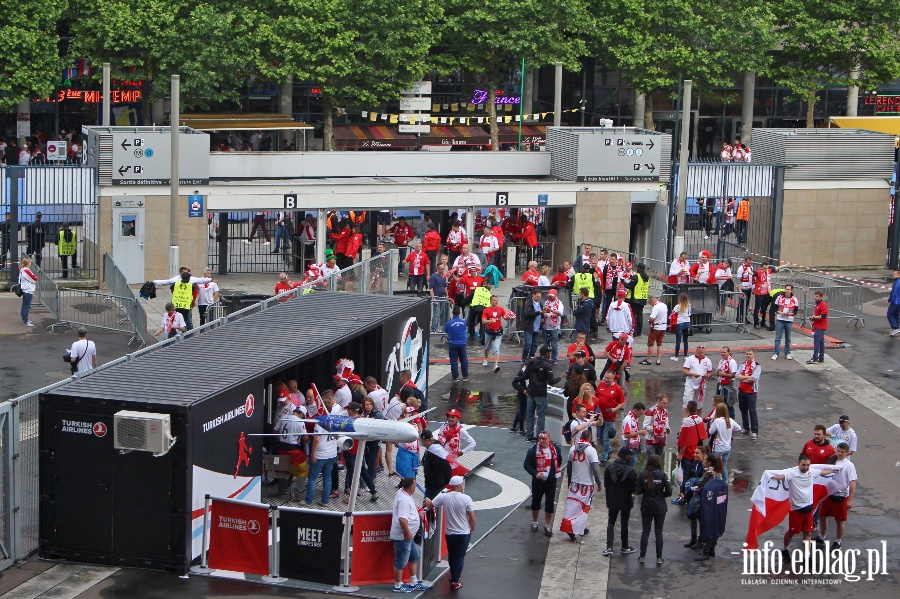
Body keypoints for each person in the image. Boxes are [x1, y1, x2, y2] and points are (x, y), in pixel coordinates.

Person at [770, 455, 837, 556]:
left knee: (807, 533)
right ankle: (785, 549)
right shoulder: (792, 473)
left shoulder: (812, 471)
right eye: (803, 465)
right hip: (796, 510)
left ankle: (807, 555)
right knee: (792, 532)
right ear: (798, 464)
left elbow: (824, 472)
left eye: (808, 465)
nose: (806, 467)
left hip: (809, 509)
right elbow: (781, 477)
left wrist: (837, 469)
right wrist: (768, 475)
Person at [425, 476, 475, 591]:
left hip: (450, 533)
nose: (463, 485)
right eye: (461, 483)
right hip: (463, 533)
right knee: (459, 557)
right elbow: (472, 517)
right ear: (458, 485)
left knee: (452, 556)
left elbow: (430, 504)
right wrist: (472, 528)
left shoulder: (444, 497)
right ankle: (455, 581)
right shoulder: (466, 498)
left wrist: (427, 500)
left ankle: (453, 576)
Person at [561, 428, 603, 543]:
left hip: (575, 482)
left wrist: (570, 481)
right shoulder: (591, 451)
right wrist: (599, 483)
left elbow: (569, 468)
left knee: (572, 506)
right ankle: (578, 527)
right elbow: (595, 468)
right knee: (584, 508)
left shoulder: (572, 449)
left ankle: (570, 525)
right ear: (590, 438)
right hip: (587, 483)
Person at [390, 477, 431, 593]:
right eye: (415, 485)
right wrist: (408, 533)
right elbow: (402, 519)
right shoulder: (404, 500)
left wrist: (417, 511)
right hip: (403, 536)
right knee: (400, 561)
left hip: (408, 536)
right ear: (412, 488)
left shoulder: (404, 492)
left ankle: (413, 581)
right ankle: (398, 585)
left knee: (414, 556)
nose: (416, 486)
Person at [814, 443, 857, 550]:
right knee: (822, 516)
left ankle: (838, 541)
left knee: (839, 520)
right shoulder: (832, 460)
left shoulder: (849, 465)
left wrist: (850, 500)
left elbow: (852, 483)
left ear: (847, 453)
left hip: (841, 496)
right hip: (829, 494)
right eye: (838, 451)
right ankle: (822, 536)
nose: (840, 453)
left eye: (842, 452)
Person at [524, 431, 562, 537]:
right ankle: (535, 522)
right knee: (536, 502)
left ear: (549, 439)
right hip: (538, 482)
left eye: (544, 439)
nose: (541, 441)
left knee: (550, 504)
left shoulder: (556, 449)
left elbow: (559, 461)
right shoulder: (532, 450)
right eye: (540, 439)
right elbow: (526, 465)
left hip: (551, 481)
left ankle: (547, 525)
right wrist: (535, 473)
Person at [636, 454, 671, 564]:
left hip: (646, 506)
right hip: (660, 506)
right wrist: (662, 495)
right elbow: (669, 491)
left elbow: (638, 490)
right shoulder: (662, 475)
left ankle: (642, 556)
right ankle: (659, 557)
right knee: (658, 532)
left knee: (645, 531)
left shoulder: (643, 474)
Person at [687, 453, 724, 558]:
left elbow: (701, 484)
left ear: (709, 462)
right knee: (712, 525)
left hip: (708, 503)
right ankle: (711, 549)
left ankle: (706, 550)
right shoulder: (718, 474)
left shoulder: (710, 473)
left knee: (707, 525)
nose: (703, 461)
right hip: (715, 503)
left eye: (705, 460)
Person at [603, 446, 638, 556]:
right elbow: (634, 488)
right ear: (626, 456)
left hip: (612, 498)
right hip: (626, 500)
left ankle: (609, 547)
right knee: (624, 522)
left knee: (611, 521)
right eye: (630, 455)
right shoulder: (631, 471)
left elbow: (606, 484)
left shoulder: (609, 468)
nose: (631, 457)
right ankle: (624, 546)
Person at [342, 402, 379, 502]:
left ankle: (352, 498)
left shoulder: (349, 422)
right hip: (360, 450)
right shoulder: (362, 419)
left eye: (348, 409)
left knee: (351, 474)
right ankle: (373, 491)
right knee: (363, 471)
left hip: (351, 450)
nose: (347, 411)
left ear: (352, 411)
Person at [524, 346, 560, 441]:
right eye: (549, 353)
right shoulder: (547, 365)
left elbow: (525, 376)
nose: (550, 354)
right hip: (541, 394)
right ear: (545, 354)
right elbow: (551, 381)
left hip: (531, 393)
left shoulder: (531, 363)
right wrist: (560, 377)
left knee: (530, 415)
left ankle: (529, 436)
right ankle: (539, 438)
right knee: (540, 417)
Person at [708, 403, 741, 483]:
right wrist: (731, 432)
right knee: (724, 466)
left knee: (715, 467)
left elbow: (710, 431)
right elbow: (739, 428)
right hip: (727, 447)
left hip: (718, 447)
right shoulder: (730, 421)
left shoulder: (717, 421)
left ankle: (717, 482)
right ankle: (725, 483)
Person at [734, 349, 762, 440]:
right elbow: (737, 376)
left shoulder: (757, 366)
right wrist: (746, 378)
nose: (748, 355)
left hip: (751, 392)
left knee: (752, 411)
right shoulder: (742, 365)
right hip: (742, 391)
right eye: (747, 354)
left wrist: (743, 378)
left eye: (750, 354)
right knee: (743, 410)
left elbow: (754, 378)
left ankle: (754, 431)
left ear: (754, 355)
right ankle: (746, 428)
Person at [682, 345, 712, 416]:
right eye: (699, 353)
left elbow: (709, 372)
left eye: (702, 353)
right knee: (687, 403)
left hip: (701, 385)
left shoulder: (708, 361)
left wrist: (707, 375)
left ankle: (698, 419)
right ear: (696, 351)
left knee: (700, 404)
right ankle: (686, 419)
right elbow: (685, 371)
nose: (700, 354)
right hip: (690, 384)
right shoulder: (690, 359)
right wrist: (692, 374)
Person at [421, 430, 453, 499]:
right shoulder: (436, 447)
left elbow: (445, 468)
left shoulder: (432, 451)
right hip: (434, 484)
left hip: (435, 485)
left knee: (431, 506)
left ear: (424, 440)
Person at [772, 284, 798, 360]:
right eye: (786, 289)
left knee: (788, 338)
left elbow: (796, 310)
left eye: (789, 289)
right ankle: (776, 353)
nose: (787, 291)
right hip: (780, 319)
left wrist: (790, 314)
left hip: (789, 320)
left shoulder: (794, 299)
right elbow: (774, 308)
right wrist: (780, 313)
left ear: (791, 290)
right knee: (778, 337)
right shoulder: (779, 298)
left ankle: (787, 353)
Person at [481, 295, 506, 373]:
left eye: (497, 300)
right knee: (487, 347)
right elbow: (483, 321)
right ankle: (486, 359)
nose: (496, 301)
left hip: (498, 331)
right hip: (489, 331)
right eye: (494, 300)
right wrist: (490, 321)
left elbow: (505, 317)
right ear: (491, 301)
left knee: (496, 347)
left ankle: (496, 365)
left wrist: (509, 316)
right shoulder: (486, 310)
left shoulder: (501, 309)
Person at [640, 296, 667, 366]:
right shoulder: (664, 305)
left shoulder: (656, 307)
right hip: (663, 327)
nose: (651, 305)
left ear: (652, 301)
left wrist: (649, 321)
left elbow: (652, 318)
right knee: (659, 343)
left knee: (651, 343)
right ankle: (658, 360)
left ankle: (648, 360)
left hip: (656, 327)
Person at [445, 306, 469, 382]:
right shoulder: (463, 321)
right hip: (462, 343)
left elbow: (446, 331)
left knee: (454, 360)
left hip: (453, 343)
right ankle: (465, 376)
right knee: (464, 360)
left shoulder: (449, 323)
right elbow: (464, 329)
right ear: (460, 313)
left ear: (452, 313)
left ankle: (455, 377)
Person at [520, 288, 544, 362]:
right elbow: (528, 314)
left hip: (537, 326)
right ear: (533, 295)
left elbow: (541, 311)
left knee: (535, 344)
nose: (538, 298)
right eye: (537, 296)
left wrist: (542, 316)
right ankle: (524, 358)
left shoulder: (539, 303)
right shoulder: (528, 303)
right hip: (529, 326)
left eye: (539, 297)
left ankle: (531, 357)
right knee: (528, 344)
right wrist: (539, 313)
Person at [542, 288, 564, 362]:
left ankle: (554, 358)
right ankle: (546, 358)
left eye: (551, 296)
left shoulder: (559, 303)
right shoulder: (546, 302)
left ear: (555, 295)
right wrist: (544, 314)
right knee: (546, 344)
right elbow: (544, 312)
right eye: (549, 296)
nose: (550, 297)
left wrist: (551, 310)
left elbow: (560, 313)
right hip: (546, 326)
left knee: (554, 344)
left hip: (555, 327)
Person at [715, 346, 738, 417]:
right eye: (721, 352)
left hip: (728, 386)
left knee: (728, 406)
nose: (723, 354)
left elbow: (734, 374)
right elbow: (719, 370)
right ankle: (723, 421)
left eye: (724, 352)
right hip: (721, 384)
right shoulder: (721, 361)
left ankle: (731, 422)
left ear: (729, 352)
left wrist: (724, 374)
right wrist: (718, 372)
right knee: (720, 405)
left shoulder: (731, 362)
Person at [808, 290, 829, 363]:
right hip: (819, 325)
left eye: (817, 296)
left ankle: (815, 358)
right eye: (815, 296)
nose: (815, 297)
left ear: (821, 297)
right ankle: (821, 357)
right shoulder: (818, 304)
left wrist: (813, 317)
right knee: (821, 342)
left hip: (821, 326)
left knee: (816, 342)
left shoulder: (822, 305)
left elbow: (823, 316)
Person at [670, 293, 691, 360]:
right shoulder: (689, 305)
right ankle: (685, 356)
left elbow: (673, 312)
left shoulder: (678, 306)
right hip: (687, 322)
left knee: (678, 340)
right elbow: (690, 314)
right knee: (686, 340)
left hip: (679, 323)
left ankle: (676, 356)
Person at [752, 261, 773, 330]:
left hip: (766, 293)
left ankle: (763, 322)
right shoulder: (759, 272)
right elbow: (754, 273)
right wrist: (749, 272)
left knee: (764, 308)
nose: (765, 269)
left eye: (767, 268)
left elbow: (775, 269)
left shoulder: (768, 271)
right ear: (761, 267)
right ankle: (756, 323)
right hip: (759, 293)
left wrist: (784, 265)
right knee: (757, 308)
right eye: (764, 268)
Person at [18, 257, 38, 327]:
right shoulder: (26, 271)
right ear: (28, 263)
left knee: (25, 305)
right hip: (28, 289)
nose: (30, 263)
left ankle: (25, 319)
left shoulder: (22, 269)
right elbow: (34, 279)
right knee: (27, 306)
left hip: (25, 289)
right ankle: (25, 320)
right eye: (29, 262)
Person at [888, 269, 900, 336]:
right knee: (896, 314)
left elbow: (894, 293)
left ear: (898, 274)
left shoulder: (896, 282)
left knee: (890, 314)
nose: (893, 275)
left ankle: (895, 328)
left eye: (894, 274)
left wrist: (890, 300)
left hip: (896, 301)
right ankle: (897, 329)